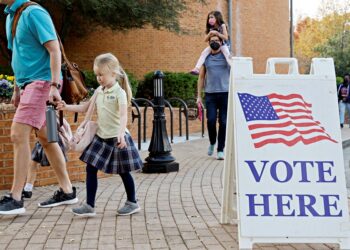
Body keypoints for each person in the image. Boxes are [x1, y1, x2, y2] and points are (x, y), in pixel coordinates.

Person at [0, 0, 77, 215]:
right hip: (27, 84)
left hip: (42, 83)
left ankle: (16, 198)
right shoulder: (11, 16)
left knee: (17, 134)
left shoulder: (34, 13)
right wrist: (16, 88)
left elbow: (54, 50)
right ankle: (68, 191)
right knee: (46, 137)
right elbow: (19, 57)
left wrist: (54, 85)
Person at [57, 53, 143, 217]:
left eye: (101, 75)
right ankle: (89, 206)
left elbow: (124, 115)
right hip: (101, 137)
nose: (98, 78)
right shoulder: (99, 91)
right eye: (97, 75)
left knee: (123, 171)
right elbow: (84, 108)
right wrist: (65, 107)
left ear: (113, 73)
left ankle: (132, 202)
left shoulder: (120, 93)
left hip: (117, 138)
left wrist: (120, 134)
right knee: (90, 168)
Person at [196, 34, 230, 160]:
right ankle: (212, 142)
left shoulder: (226, 57)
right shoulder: (206, 58)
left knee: (223, 122)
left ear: (221, 42)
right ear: (209, 43)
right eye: (212, 41)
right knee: (210, 121)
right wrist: (199, 96)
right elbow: (201, 77)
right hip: (210, 94)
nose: (214, 42)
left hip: (225, 93)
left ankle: (220, 149)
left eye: (217, 40)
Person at [190, 10, 231, 75]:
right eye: (209, 18)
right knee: (204, 53)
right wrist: (210, 34)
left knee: (227, 54)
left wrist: (217, 33)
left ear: (217, 18)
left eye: (212, 17)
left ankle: (232, 67)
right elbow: (205, 40)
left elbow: (226, 37)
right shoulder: (211, 28)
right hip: (213, 44)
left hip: (223, 45)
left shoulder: (222, 26)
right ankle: (197, 68)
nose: (210, 19)